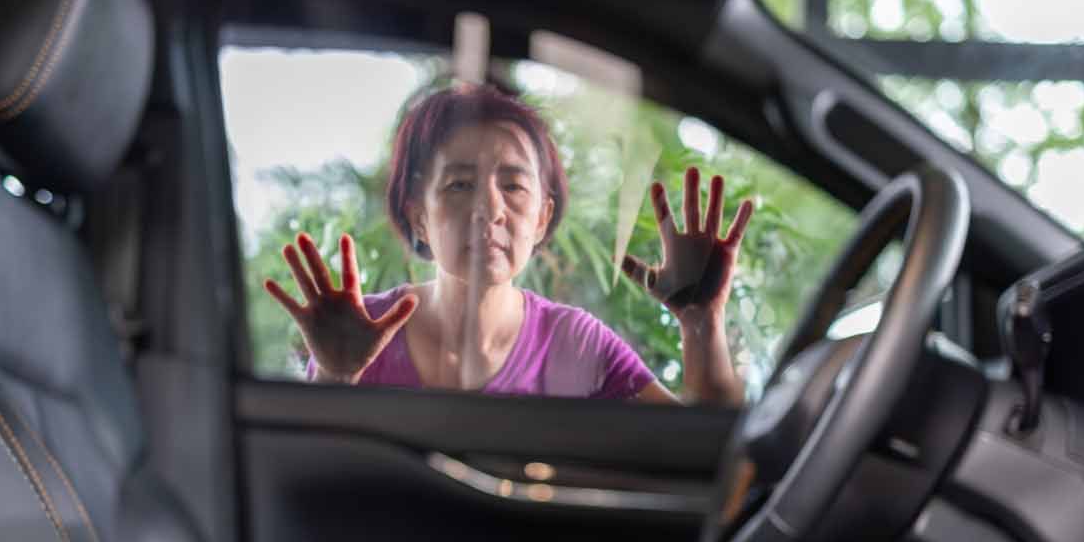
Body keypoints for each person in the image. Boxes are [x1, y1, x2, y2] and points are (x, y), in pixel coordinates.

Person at [262, 85, 754, 405]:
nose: (490, 209)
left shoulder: (576, 344)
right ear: (420, 217)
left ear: (541, 218)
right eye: (459, 184)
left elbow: (696, 452)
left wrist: (701, 321)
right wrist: (334, 378)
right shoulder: (359, 336)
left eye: (514, 185)